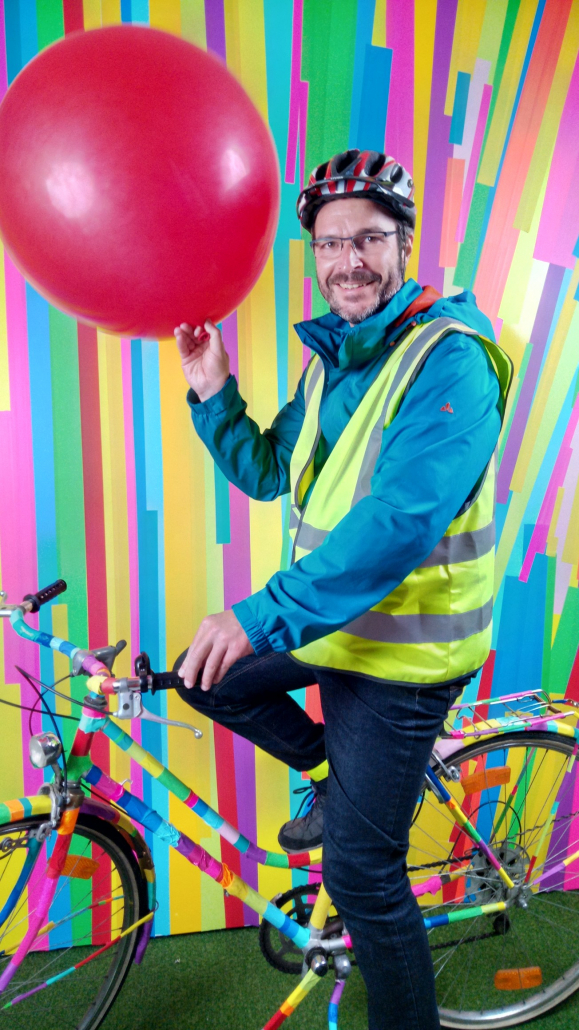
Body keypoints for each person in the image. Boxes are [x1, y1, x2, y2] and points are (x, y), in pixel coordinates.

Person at [173, 149, 512, 1030]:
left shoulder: (451, 362)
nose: (346, 261)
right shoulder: (334, 354)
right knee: (200, 672)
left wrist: (258, 615)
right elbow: (273, 469)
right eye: (328, 244)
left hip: (405, 658)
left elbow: (396, 521)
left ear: (403, 245)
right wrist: (211, 389)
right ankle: (333, 773)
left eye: (368, 238)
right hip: (335, 625)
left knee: (362, 875)